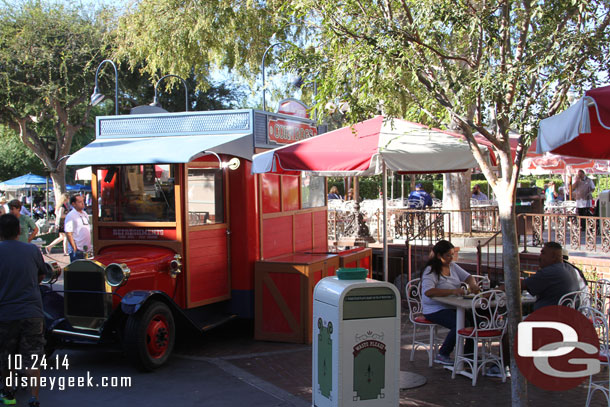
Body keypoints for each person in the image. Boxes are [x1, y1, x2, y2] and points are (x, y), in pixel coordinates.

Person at [0, 214, 46, 407]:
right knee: (33, 357)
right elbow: (42, 274)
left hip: (5, 314)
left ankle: (9, 394)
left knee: (6, 357)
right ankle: (34, 398)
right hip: (32, 312)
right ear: (19, 231)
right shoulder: (32, 250)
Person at [421, 240, 481, 365]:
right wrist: (452, 291)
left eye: (452, 254)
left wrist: (473, 285)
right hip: (434, 309)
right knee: (461, 323)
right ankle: (443, 353)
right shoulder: (430, 270)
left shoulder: (452, 266)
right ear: (439, 255)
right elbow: (429, 292)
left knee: (475, 320)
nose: (451, 258)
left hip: (452, 305)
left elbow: (468, 277)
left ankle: (468, 354)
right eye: (448, 255)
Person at [522, 241, 580, 311]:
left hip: (550, 317)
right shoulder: (569, 268)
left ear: (553, 257)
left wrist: (506, 285)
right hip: (568, 315)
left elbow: (521, 285)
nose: (539, 256)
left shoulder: (550, 272)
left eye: (543, 253)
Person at [64, 194, 91, 262]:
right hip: (77, 251)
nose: (82, 203)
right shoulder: (71, 215)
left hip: (87, 250)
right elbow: (68, 233)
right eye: (79, 202)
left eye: (83, 201)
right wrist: (74, 248)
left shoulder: (85, 213)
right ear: (73, 204)